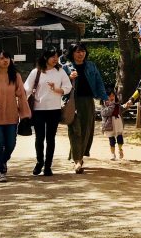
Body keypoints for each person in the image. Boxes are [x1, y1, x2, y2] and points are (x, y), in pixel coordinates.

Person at [0, 50, 31, 182]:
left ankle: (2, 160)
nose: (6, 60)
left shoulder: (16, 76)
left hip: (11, 116)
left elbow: (21, 96)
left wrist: (25, 114)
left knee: (11, 144)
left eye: (7, 58)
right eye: (2, 58)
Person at [24, 48, 72, 177]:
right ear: (45, 57)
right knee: (39, 138)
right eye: (52, 56)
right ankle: (39, 162)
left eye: (57, 56)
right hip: (38, 110)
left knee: (51, 139)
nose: (55, 59)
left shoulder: (60, 71)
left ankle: (48, 166)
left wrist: (58, 90)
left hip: (54, 110)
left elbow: (68, 87)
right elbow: (26, 89)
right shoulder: (36, 72)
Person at [64, 43, 108, 173]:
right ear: (72, 53)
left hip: (88, 101)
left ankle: (78, 156)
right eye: (77, 51)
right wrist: (68, 77)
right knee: (75, 129)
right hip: (72, 101)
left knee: (86, 130)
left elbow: (99, 82)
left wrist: (104, 97)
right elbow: (60, 84)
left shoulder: (91, 66)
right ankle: (77, 160)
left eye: (82, 51)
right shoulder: (66, 68)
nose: (80, 54)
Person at [100, 86, 125, 160]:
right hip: (108, 124)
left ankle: (120, 150)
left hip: (117, 122)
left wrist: (126, 105)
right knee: (111, 139)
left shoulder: (116, 103)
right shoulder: (104, 105)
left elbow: (121, 109)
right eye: (109, 96)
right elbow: (104, 113)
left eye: (113, 95)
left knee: (119, 136)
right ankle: (112, 154)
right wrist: (112, 106)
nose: (111, 97)